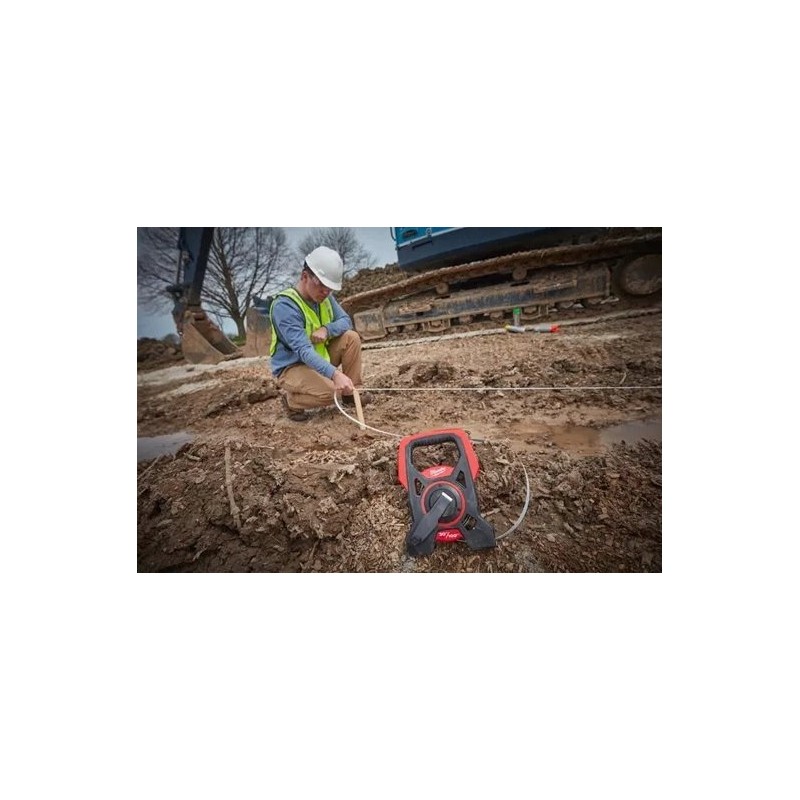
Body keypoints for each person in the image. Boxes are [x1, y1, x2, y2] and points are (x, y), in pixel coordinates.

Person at [269, 246, 372, 421]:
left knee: (351, 337)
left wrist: (327, 329)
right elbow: (303, 351)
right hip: (292, 367)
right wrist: (335, 375)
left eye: (330, 288)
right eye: (322, 285)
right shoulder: (285, 306)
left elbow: (345, 321)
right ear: (304, 276)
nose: (326, 292)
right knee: (333, 393)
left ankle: (351, 394)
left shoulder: (324, 297)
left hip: (317, 356)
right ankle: (292, 401)